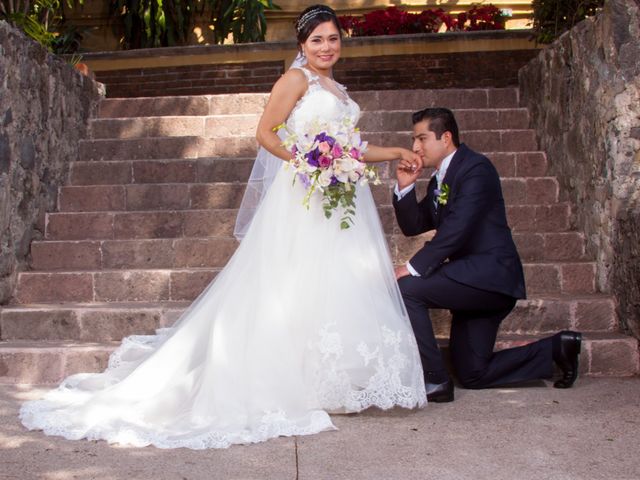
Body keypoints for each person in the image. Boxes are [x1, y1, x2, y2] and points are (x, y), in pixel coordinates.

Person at [19, 5, 426, 449]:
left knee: (337, 281)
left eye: (333, 39)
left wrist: (392, 153)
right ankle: (285, 379)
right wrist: (309, 162)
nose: (327, 47)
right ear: (301, 46)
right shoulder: (295, 81)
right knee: (293, 280)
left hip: (341, 197)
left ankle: (331, 382)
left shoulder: (339, 90)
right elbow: (267, 134)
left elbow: (352, 146)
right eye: (317, 40)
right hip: (303, 194)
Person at [393, 107, 583, 402]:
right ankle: (556, 349)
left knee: (407, 288)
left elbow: (458, 229)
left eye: (421, 138)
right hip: (471, 283)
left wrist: (412, 267)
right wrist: (405, 188)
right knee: (473, 374)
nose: (415, 147)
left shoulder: (476, 169)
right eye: (414, 139)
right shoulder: (439, 180)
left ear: (445, 138)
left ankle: (435, 381)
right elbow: (414, 225)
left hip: (489, 278)